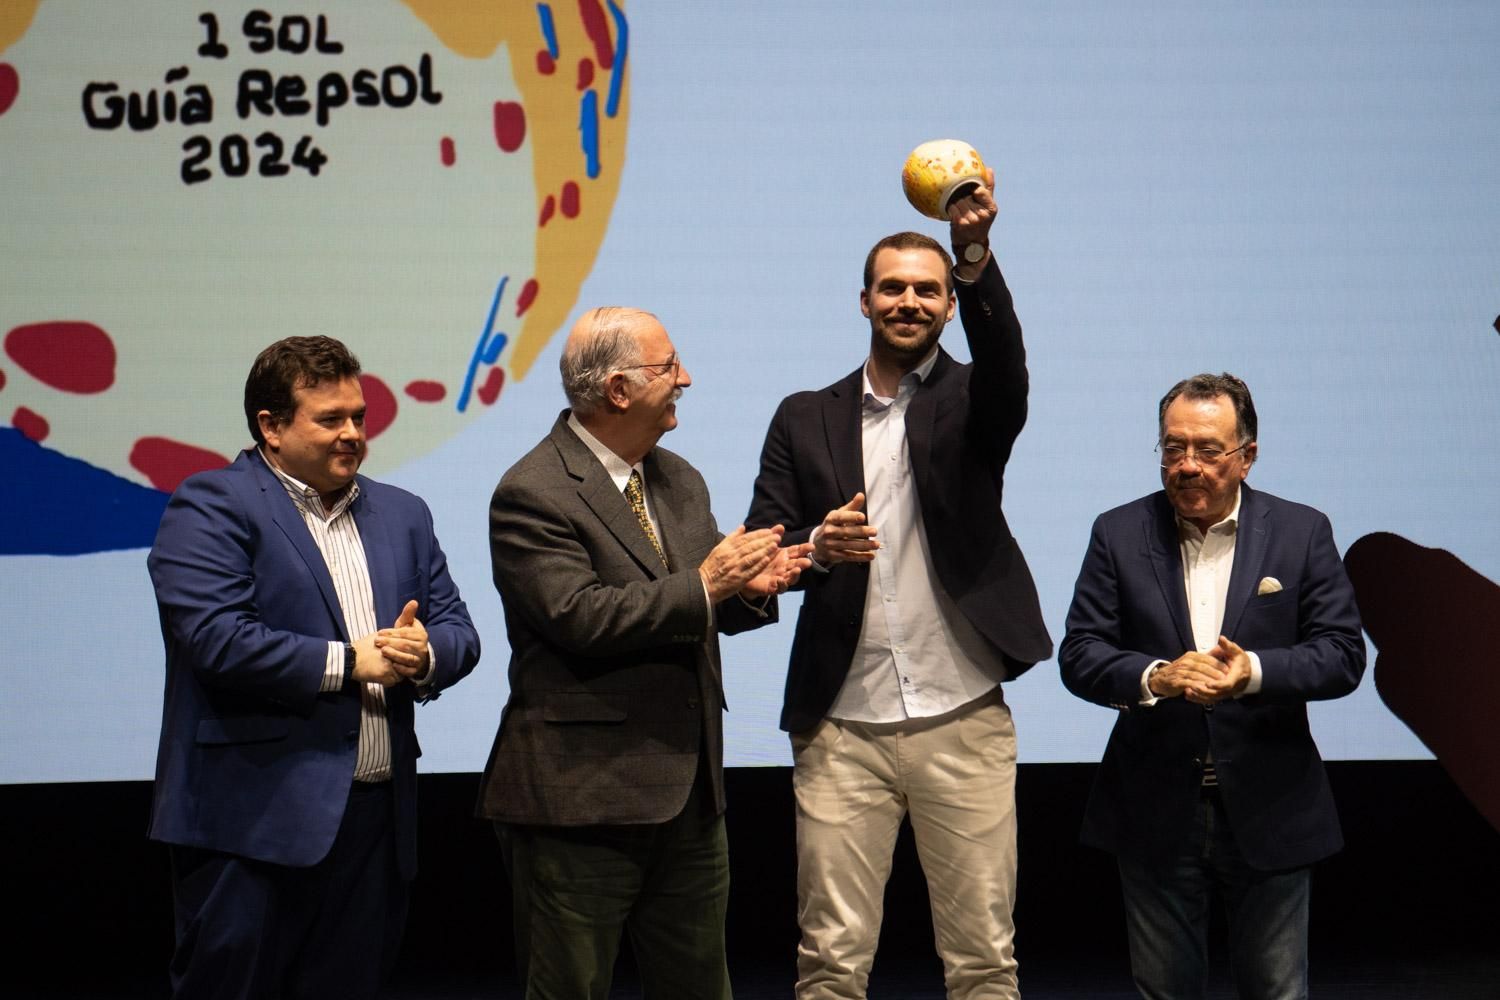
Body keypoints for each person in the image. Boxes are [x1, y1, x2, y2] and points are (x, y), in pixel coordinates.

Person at [745, 173, 1053, 999]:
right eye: (892, 289)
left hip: (962, 719)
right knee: (831, 964)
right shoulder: (803, 415)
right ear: (863, 302)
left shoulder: (976, 399)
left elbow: (1008, 361)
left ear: (951, 305)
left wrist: (974, 251)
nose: (909, 302)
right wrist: (816, 548)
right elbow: (763, 547)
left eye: (928, 290)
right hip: (840, 729)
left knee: (985, 960)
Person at [476, 306, 812, 999]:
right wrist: (707, 584)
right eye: (669, 367)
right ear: (618, 391)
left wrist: (749, 589)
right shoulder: (531, 492)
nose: (685, 378)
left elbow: (696, 605)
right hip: (580, 803)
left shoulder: (678, 479)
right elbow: (581, 616)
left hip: (690, 798)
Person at [146, 336, 481, 999]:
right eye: (330, 419)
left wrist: (424, 656)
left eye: (359, 416)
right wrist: (349, 660)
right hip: (251, 826)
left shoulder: (403, 514)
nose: (353, 433)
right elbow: (216, 640)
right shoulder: (212, 505)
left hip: (377, 827)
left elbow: (458, 632)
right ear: (270, 426)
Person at [1058, 372, 1365, 1000]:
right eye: (1173, 448)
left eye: (1207, 450)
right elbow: (1080, 654)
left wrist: (1249, 672)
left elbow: (1341, 656)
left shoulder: (1302, 531)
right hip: (1152, 805)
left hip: (1271, 801)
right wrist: (1156, 677)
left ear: (1247, 456)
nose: (1188, 465)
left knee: (1277, 991)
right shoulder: (1118, 532)